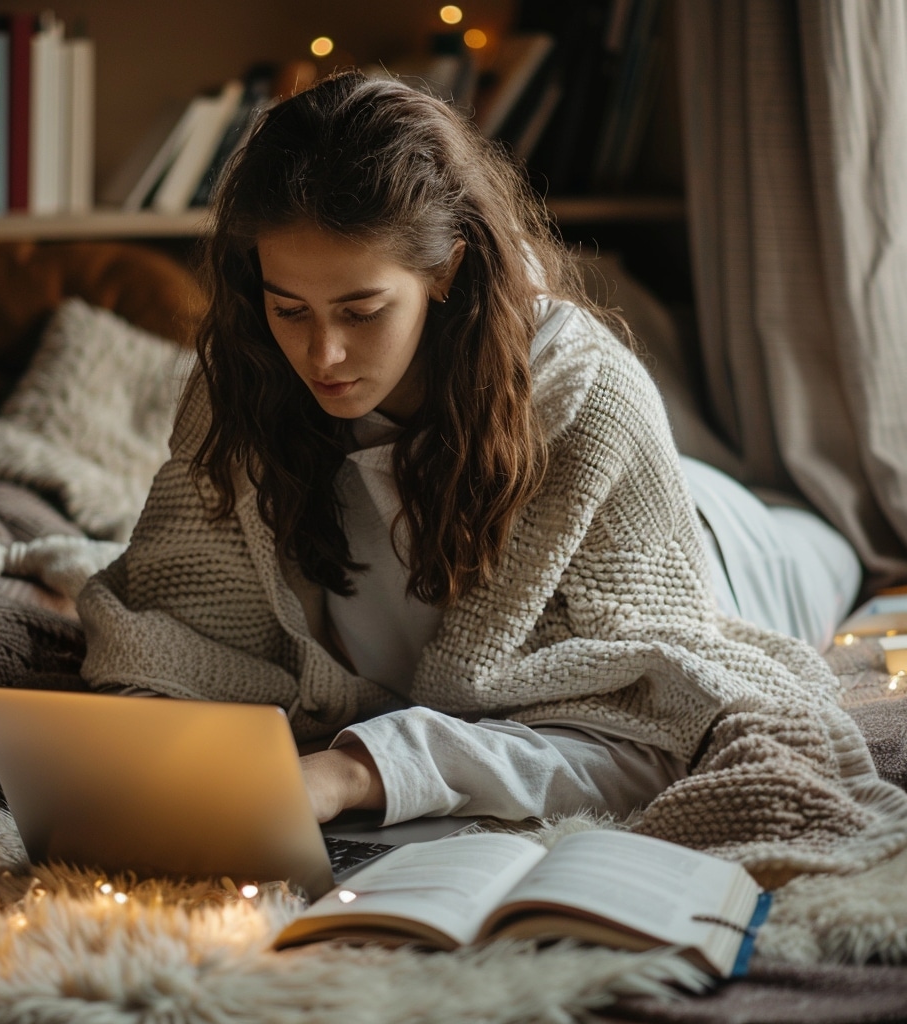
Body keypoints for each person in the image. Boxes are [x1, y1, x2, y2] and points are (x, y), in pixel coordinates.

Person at [77, 71, 870, 846]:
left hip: (730, 547)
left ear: (447, 269)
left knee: (828, 540)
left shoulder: (592, 400)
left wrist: (357, 771)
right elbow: (180, 630)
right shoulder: (246, 385)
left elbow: (649, 740)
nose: (323, 352)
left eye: (362, 310)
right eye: (291, 309)